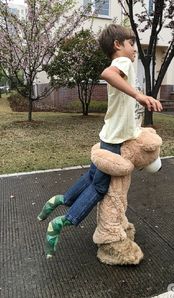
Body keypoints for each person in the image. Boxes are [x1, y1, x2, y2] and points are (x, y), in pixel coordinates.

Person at [37, 24, 163, 258]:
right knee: (100, 187)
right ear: (118, 45)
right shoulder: (123, 62)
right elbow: (106, 74)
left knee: (90, 177)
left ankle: (61, 199)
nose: (135, 49)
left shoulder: (123, 64)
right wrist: (138, 95)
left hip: (108, 136)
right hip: (114, 143)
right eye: (131, 44)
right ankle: (63, 221)